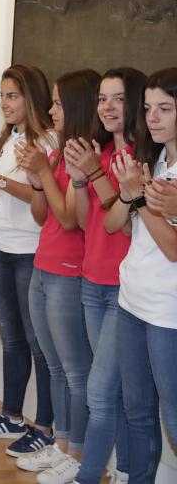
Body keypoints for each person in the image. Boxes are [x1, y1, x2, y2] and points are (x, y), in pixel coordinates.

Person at [16, 69, 105, 484]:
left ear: (76, 105)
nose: (51, 110)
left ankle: (79, 452)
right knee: (54, 366)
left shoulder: (85, 154)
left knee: (75, 370)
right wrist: (38, 177)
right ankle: (61, 443)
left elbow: (71, 220)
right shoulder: (58, 152)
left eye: (57, 102)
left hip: (70, 272)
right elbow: (42, 214)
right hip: (43, 265)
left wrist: (46, 175)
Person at [0, 64, 57, 459]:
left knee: (41, 345)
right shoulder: (8, 139)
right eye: (2, 95)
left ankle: (46, 427)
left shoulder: (46, 143)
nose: (4, 103)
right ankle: (13, 415)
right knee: (12, 338)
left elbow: (41, 201)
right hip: (0, 247)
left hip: (31, 252)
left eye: (12, 96)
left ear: (30, 98)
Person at [65, 67, 145, 484]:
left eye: (117, 98)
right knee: (111, 391)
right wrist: (80, 180)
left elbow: (123, 223)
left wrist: (94, 174)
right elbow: (83, 222)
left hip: (124, 290)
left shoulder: (139, 159)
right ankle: (125, 472)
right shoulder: (102, 155)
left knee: (99, 391)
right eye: (101, 98)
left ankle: (89, 474)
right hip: (91, 279)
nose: (108, 107)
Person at [105, 67, 177, 483]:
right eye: (149, 108)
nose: (152, 118)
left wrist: (145, 201)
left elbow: (172, 249)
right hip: (131, 302)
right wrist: (131, 193)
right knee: (137, 411)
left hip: (167, 312)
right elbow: (115, 223)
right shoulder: (154, 159)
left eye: (165, 109)